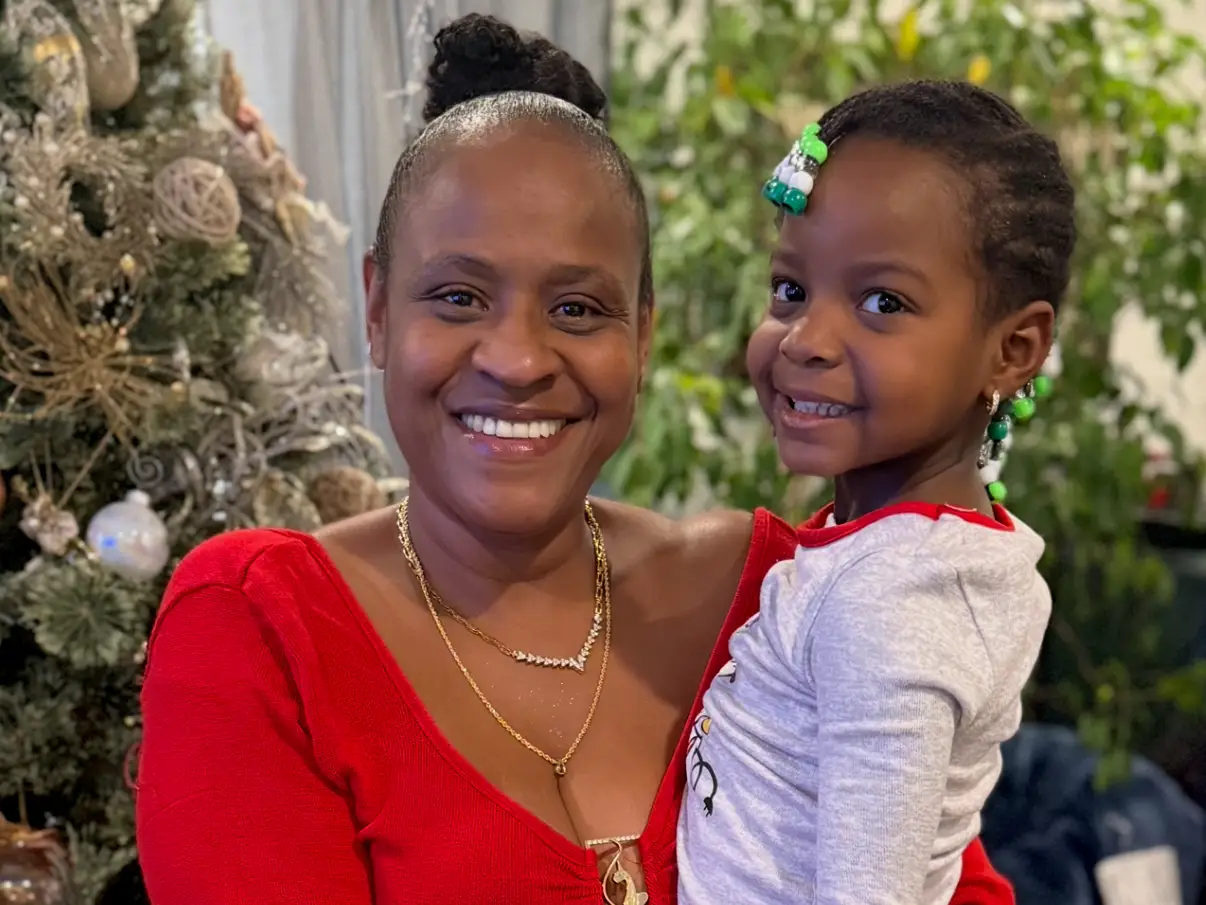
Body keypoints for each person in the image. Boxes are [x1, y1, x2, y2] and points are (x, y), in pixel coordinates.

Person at [135, 17, 1017, 905]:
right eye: (458, 296)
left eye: (578, 309)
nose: (517, 361)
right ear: (377, 310)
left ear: (643, 333)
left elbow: (946, 880)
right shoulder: (265, 626)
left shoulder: (782, 594)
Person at [677, 81, 1076, 905]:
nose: (806, 339)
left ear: (1014, 349)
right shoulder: (938, 551)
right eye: (790, 288)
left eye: (882, 301)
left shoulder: (888, 607)